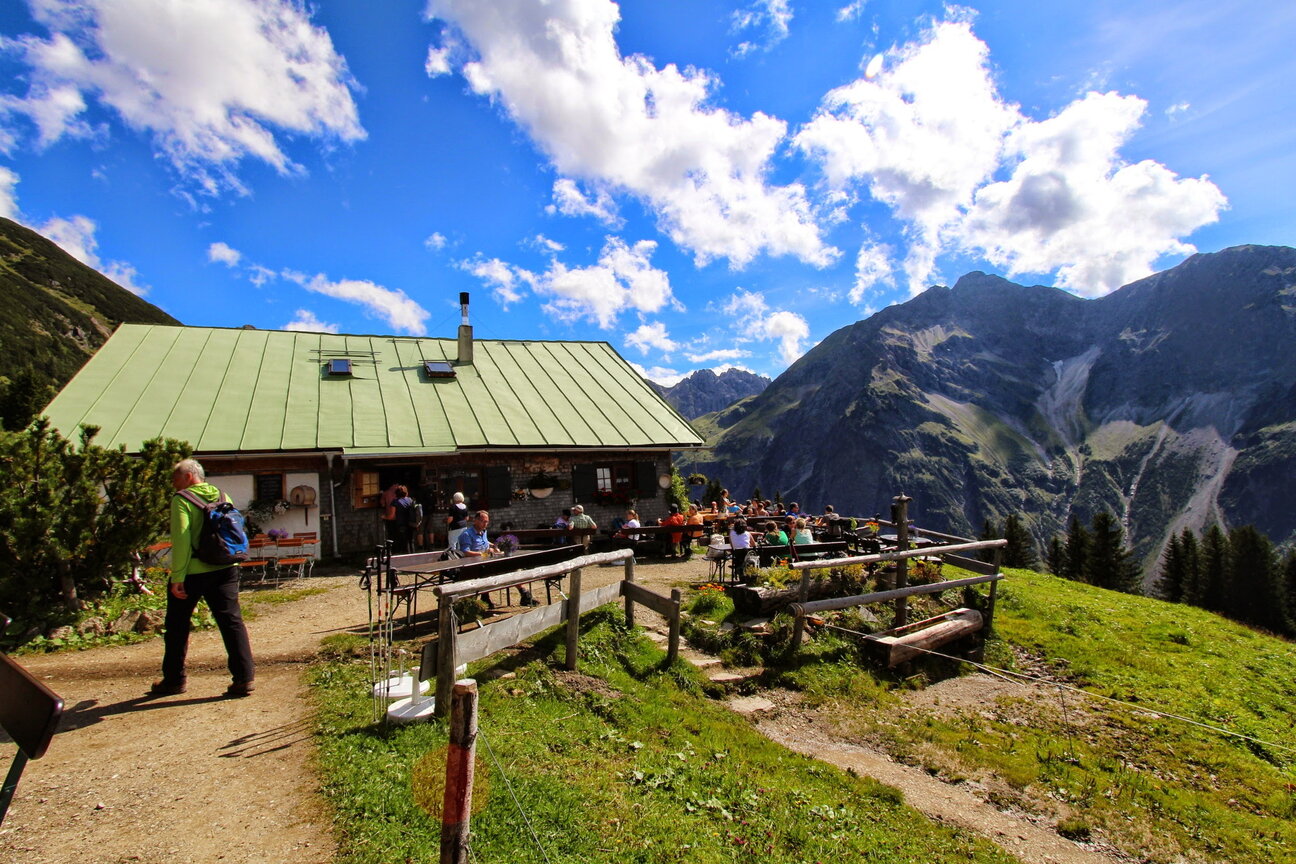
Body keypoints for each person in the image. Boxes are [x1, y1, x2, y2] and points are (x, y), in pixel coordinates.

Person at [150, 458, 254, 698]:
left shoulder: (181, 500)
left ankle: (174, 680)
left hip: (194, 572)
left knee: (177, 626)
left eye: (175, 477)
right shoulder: (222, 495)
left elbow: (182, 539)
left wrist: (178, 577)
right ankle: (244, 678)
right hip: (226, 567)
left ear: (188, 476)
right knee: (232, 623)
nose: (173, 483)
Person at [386, 485, 415, 553]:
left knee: (404, 542)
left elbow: (392, 516)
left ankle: (406, 558)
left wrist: (384, 517)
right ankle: (413, 556)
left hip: (401, 525)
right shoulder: (410, 500)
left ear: (396, 493)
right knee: (411, 541)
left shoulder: (395, 501)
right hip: (411, 524)